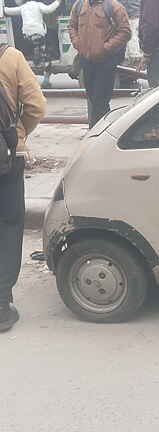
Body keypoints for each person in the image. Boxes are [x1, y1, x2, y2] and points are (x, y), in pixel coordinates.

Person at [0, 45, 46, 332]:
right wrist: (17, 136)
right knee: (8, 224)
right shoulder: (10, 57)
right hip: (6, 157)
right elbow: (36, 107)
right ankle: (2, 305)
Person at [69, 0, 131, 128]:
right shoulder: (79, 5)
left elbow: (125, 32)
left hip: (105, 62)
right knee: (93, 99)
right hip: (86, 61)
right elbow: (72, 26)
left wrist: (106, 48)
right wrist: (77, 43)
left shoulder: (114, 6)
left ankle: (102, 133)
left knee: (100, 100)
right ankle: (99, 132)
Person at [4, 0, 62, 88]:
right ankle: (46, 81)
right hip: (39, 34)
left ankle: (26, 79)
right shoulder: (38, 5)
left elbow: (8, 11)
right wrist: (57, 2)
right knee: (47, 57)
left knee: (25, 58)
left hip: (27, 36)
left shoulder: (23, 7)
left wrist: (3, 7)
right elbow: (49, 9)